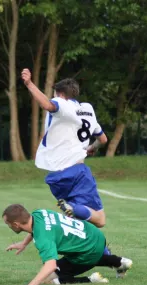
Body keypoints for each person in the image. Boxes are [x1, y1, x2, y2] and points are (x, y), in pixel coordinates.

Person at [21, 68, 108, 228]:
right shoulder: (85, 109)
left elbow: (48, 105)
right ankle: (74, 208)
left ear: (58, 93)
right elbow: (102, 139)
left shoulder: (62, 105)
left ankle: (93, 249)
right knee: (100, 219)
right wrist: (91, 147)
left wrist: (29, 83)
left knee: (78, 220)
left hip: (55, 177)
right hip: (77, 172)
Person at [3, 204, 132, 285]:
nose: (8, 226)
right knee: (76, 255)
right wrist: (23, 243)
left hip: (89, 250)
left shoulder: (43, 238)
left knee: (47, 279)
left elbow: (50, 265)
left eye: (8, 224)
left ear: (16, 224)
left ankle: (91, 279)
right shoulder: (39, 213)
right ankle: (120, 262)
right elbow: (35, 229)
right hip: (94, 235)